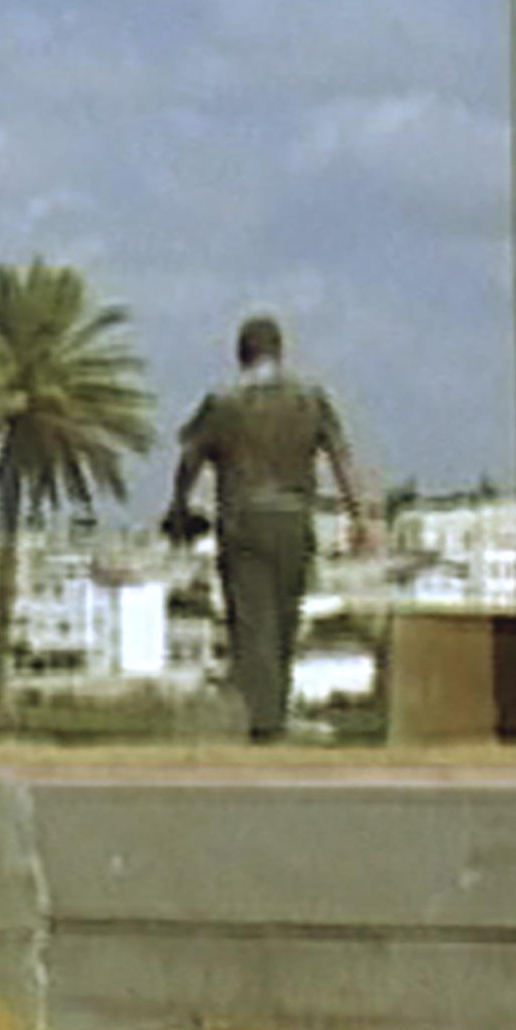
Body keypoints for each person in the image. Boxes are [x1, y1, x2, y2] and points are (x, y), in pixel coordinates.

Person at [163, 316, 375, 740]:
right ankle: (273, 714)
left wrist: (179, 507)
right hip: (294, 517)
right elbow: (341, 457)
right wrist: (359, 516)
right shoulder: (310, 399)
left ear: (241, 353)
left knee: (252, 621)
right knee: (284, 619)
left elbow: (189, 458)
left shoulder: (223, 402)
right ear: (279, 351)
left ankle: (265, 723)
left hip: (243, 519)